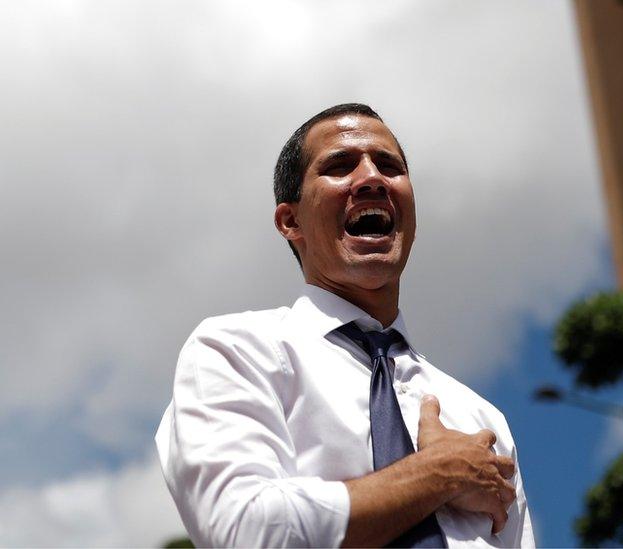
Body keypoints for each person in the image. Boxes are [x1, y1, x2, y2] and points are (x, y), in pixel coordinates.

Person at [155, 104, 535, 548]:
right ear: (290, 220)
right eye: (339, 166)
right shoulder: (236, 351)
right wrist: (436, 476)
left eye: (389, 166)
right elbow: (246, 531)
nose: (372, 178)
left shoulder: (482, 421)